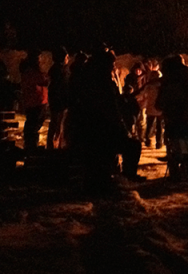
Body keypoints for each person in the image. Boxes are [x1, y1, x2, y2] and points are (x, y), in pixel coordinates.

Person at [69, 50, 145, 191]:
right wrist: (121, 128)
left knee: (126, 146)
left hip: (94, 129)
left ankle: (115, 175)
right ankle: (126, 176)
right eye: (111, 64)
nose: (113, 67)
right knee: (132, 146)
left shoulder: (90, 78)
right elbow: (109, 109)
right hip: (99, 131)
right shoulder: (101, 83)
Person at [157, 55, 188, 181]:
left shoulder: (168, 84)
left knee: (174, 146)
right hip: (186, 120)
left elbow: (159, 104)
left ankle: (176, 173)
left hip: (173, 120)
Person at [19, 49, 49, 153]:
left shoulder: (28, 70)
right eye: (39, 58)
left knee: (32, 126)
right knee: (33, 126)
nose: (41, 60)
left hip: (35, 102)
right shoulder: (31, 71)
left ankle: (30, 146)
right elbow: (44, 80)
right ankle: (31, 148)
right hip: (36, 102)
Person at [47, 47, 70, 150]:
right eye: (66, 56)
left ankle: (55, 146)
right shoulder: (59, 71)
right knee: (56, 124)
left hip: (59, 101)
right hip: (58, 102)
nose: (68, 58)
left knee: (57, 124)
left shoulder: (59, 70)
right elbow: (58, 87)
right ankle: (52, 147)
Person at [140, 69, 163, 149]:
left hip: (151, 107)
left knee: (149, 125)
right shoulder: (161, 85)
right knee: (159, 126)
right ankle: (159, 143)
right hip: (160, 107)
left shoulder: (148, 85)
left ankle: (147, 140)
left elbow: (142, 94)